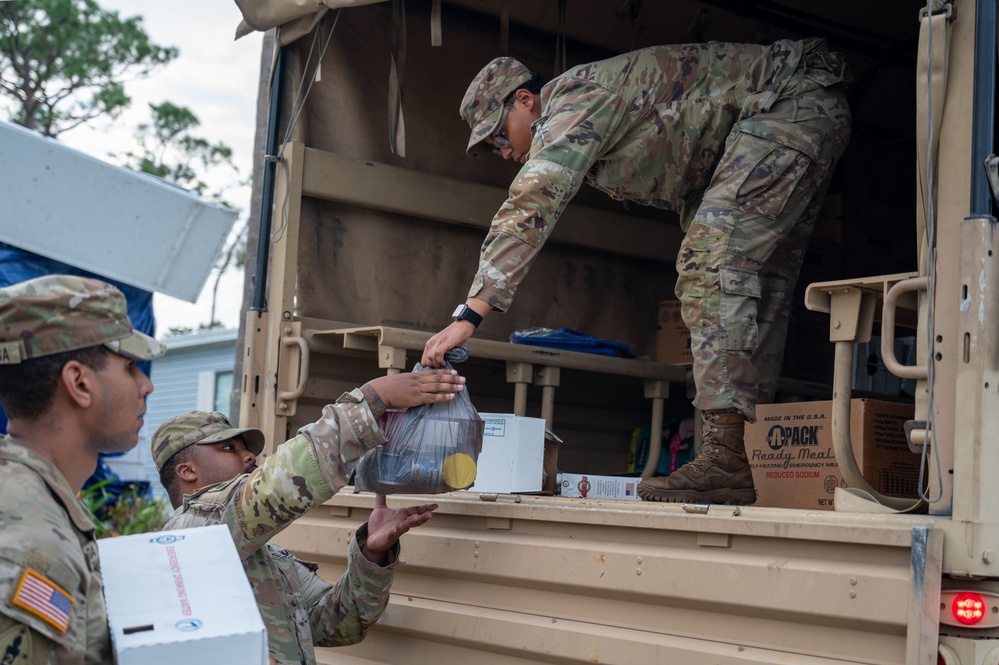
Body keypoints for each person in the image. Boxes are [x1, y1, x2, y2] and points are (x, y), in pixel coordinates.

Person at [422, 38, 852, 506]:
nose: (503, 152)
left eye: (500, 135)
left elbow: (531, 202)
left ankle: (725, 458)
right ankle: (737, 455)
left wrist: (470, 313)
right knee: (758, 283)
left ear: (526, 100)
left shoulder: (573, 99)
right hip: (800, 115)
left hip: (790, 105)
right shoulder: (589, 118)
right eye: (492, 148)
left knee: (710, 261)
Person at [152, 368, 466, 665]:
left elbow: (339, 624)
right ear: (187, 471)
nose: (249, 455)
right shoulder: (189, 531)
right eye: (229, 447)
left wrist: (371, 554)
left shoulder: (267, 558)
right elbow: (276, 486)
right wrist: (372, 400)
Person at [0, 274, 165, 663]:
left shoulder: (33, 499)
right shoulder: (34, 545)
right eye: (130, 367)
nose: (146, 385)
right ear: (79, 382)